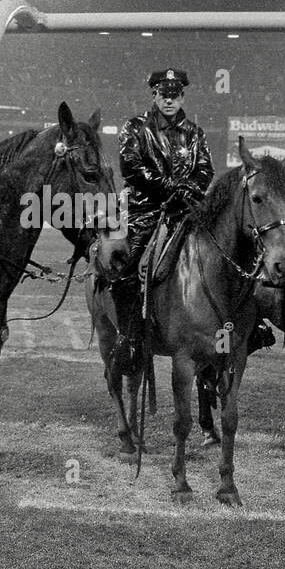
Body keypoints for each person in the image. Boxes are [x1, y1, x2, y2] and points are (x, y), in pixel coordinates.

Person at [111, 68, 214, 374]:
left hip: (186, 210)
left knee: (226, 249)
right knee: (127, 269)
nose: (169, 100)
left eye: (175, 95)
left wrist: (190, 189)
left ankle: (241, 329)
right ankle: (128, 337)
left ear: (183, 96)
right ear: (153, 95)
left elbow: (205, 169)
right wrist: (169, 188)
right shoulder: (135, 128)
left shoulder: (195, 132)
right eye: (163, 94)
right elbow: (131, 168)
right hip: (145, 211)